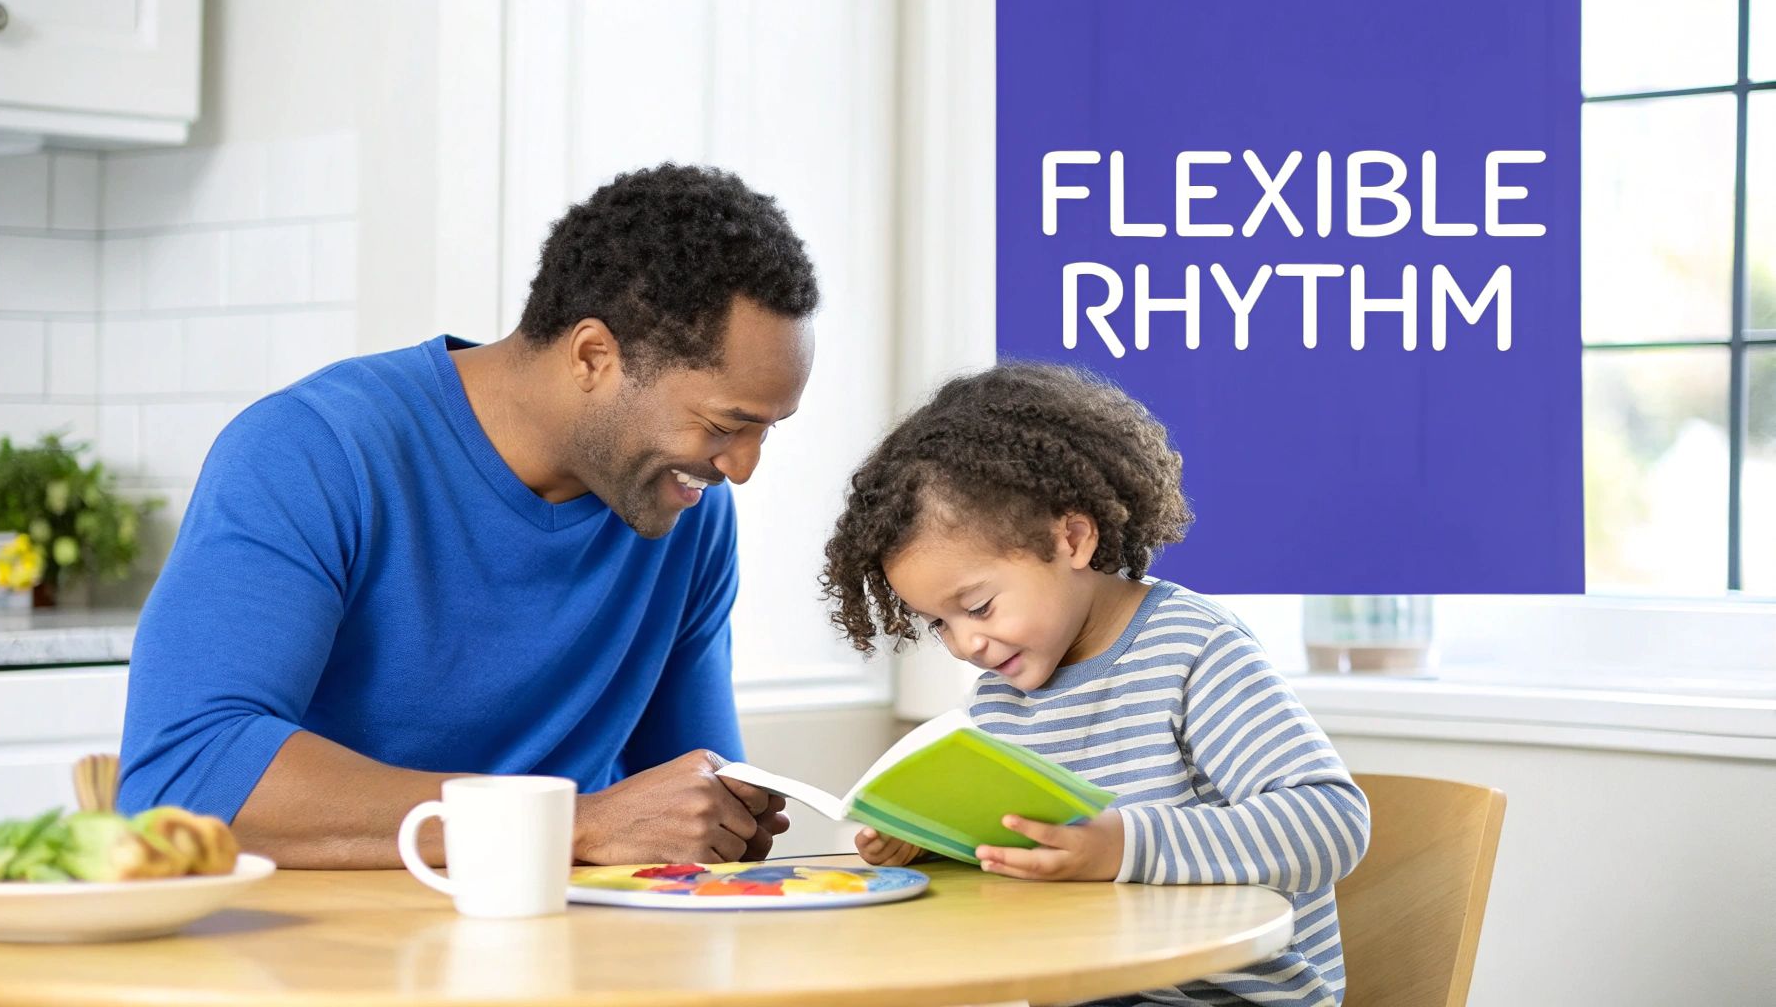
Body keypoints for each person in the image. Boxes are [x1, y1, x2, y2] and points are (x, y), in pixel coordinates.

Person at [119, 164, 819, 869]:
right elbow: (184, 778)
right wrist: (570, 826)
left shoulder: (683, 511)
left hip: (583, 954)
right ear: (593, 356)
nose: (742, 467)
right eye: (725, 423)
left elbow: (695, 813)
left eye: (766, 430)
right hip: (327, 957)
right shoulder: (314, 451)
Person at [820, 363, 1370, 1007]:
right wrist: (933, 844)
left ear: (1073, 539)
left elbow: (1331, 823)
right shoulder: (1002, 695)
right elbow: (1031, 858)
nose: (965, 644)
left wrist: (1125, 845)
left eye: (979, 607)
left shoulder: (1192, 650)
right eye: (938, 623)